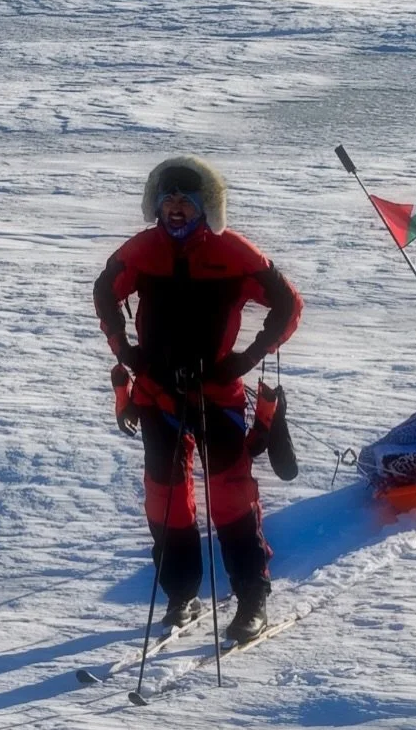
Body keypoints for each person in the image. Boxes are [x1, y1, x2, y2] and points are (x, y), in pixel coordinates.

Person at [93, 155, 303, 644]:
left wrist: (248, 358)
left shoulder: (234, 254)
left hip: (217, 392)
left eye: (185, 200)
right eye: (167, 200)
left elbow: (288, 305)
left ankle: (252, 598)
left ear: (206, 206)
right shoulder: (143, 251)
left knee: (231, 498)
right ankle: (181, 595)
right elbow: (106, 291)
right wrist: (126, 352)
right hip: (157, 393)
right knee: (166, 500)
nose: (175, 208)